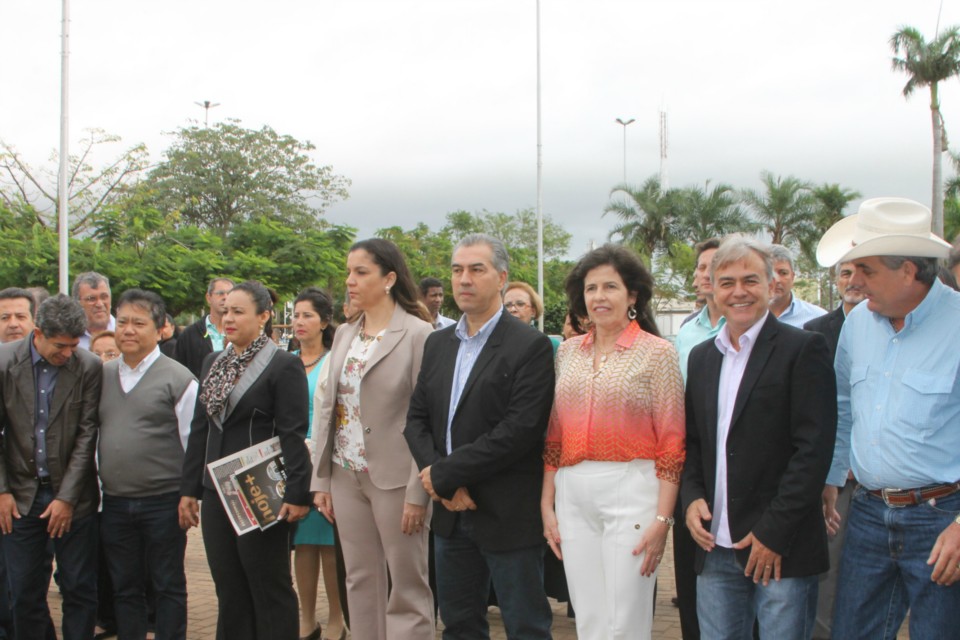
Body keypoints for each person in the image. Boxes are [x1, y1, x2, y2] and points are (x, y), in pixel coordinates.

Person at [816, 197, 960, 638]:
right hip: (867, 514)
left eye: (867, 270)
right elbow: (842, 405)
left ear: (909, 271)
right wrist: (832, 478)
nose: (854, 282)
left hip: (942, 521)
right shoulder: (859, 324)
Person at [682, 235, 836, 640]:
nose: (739, 292)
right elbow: (694, 441)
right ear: (712, 289)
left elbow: (813, 450)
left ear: (772, 286)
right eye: (727, 282)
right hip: (715, 543)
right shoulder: (702, 357)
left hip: (780, 547)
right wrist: (692, 496)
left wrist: (774, 531)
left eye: (750, 280)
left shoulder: (804, 349)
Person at [404, 233, 556, 639]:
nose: (464, 279)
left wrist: (445, 474)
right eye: (457, 270)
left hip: (506, 512)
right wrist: (440, 480)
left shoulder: (530, 346)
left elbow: (519, 430)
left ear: (502, 277)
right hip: (451, 515)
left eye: (476, 269)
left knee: (525, 625)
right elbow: (416, 419)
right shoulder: (438, 344)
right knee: (459, 625)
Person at [541, 244, 685, 639]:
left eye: (610, 287)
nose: (599, 297)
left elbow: (673, 442)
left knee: (624, 619)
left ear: (632, 295)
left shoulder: (658, 354)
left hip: (632, 488)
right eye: (591, 289)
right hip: (572, 491)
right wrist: (546, 503)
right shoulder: (567, 353)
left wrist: (663, 520)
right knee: (587, 616)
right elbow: (554, 433)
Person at [312, 239, 435, 640]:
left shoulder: (419, 334)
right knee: (360, 579)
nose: (350, 281)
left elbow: (426, 419)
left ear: (389, 279)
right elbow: (329, 406)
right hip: (346, 473)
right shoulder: (346, 333)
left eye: (361, 272)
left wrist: (419, 492)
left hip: (398, 478)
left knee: (407, 583)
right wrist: (322, 479)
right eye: (349, 272)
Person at [179, 280, 312, 640]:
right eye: (225, 311)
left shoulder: (283, 365)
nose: (228, 319)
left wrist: (299, 493)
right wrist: (189, 488)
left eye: (239, 311)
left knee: (268, 585)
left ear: (265, 316)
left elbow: (292, 434)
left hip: (259, 490)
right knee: (229, 585)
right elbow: (201, 429)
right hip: (216, 491)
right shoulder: (213, 362)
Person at [0, 294, 102, 640]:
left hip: (74, 497)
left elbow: (87, 435)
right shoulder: (4, 363)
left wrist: (67, 498)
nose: (67, 353)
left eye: (74, 345)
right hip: (20, 497)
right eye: (60, 346)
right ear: (39, 333)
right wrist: (2, 490)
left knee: (78, 587)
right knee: (24, 591)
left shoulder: (87, 366)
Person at [98, 289, 196, 640]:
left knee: (167, 583)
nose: (128, 330)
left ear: (160, 329)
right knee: (124, 586)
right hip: (115, 502)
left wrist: (190, 493)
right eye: (122, 321)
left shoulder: (178, 378)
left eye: (139, 323)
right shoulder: (102, 374)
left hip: (164, 501)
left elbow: (192, 441)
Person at [800, 261, 863, 640]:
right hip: (834, 476)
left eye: (862, 271)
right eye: (845, 273)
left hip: (886, 478)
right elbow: (822, 407)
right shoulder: (815, 332)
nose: (853, 281)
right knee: (829, 574)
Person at [671, 237, 724, 640]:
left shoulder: (756, 327)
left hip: (737, 459)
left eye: (712, 266)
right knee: (690, 565)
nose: (702, 274)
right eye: (700, 268)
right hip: (690, 457)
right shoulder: (687, 329)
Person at [290, 287, 345, 640]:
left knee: (330, 546)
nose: (299, 322)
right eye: (295, 315)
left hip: (326, 461)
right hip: (293, 463)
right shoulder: (285, 360)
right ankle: (306, 620)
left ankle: (338, 619)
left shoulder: (335, 359)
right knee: (302, 545)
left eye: (307, 315)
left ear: (325, 322)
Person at [173, 277, 234, 379]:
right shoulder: (190, 334)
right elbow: (177, 370)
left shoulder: (240, 332)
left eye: (229, 294)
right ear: (208, 297)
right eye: (220, 293)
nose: (225, 297)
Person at [767, 245, 826, 328]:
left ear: (792, 277)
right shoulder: (748, 316)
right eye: (771, 274)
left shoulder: (818, 317)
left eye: (783, 273)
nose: (777, 280)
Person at [73, 272, 115, 350]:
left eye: (104, 297)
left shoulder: (124, 334)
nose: (99, 304)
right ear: (77, 304)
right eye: (91, 299)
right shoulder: (70, 338)